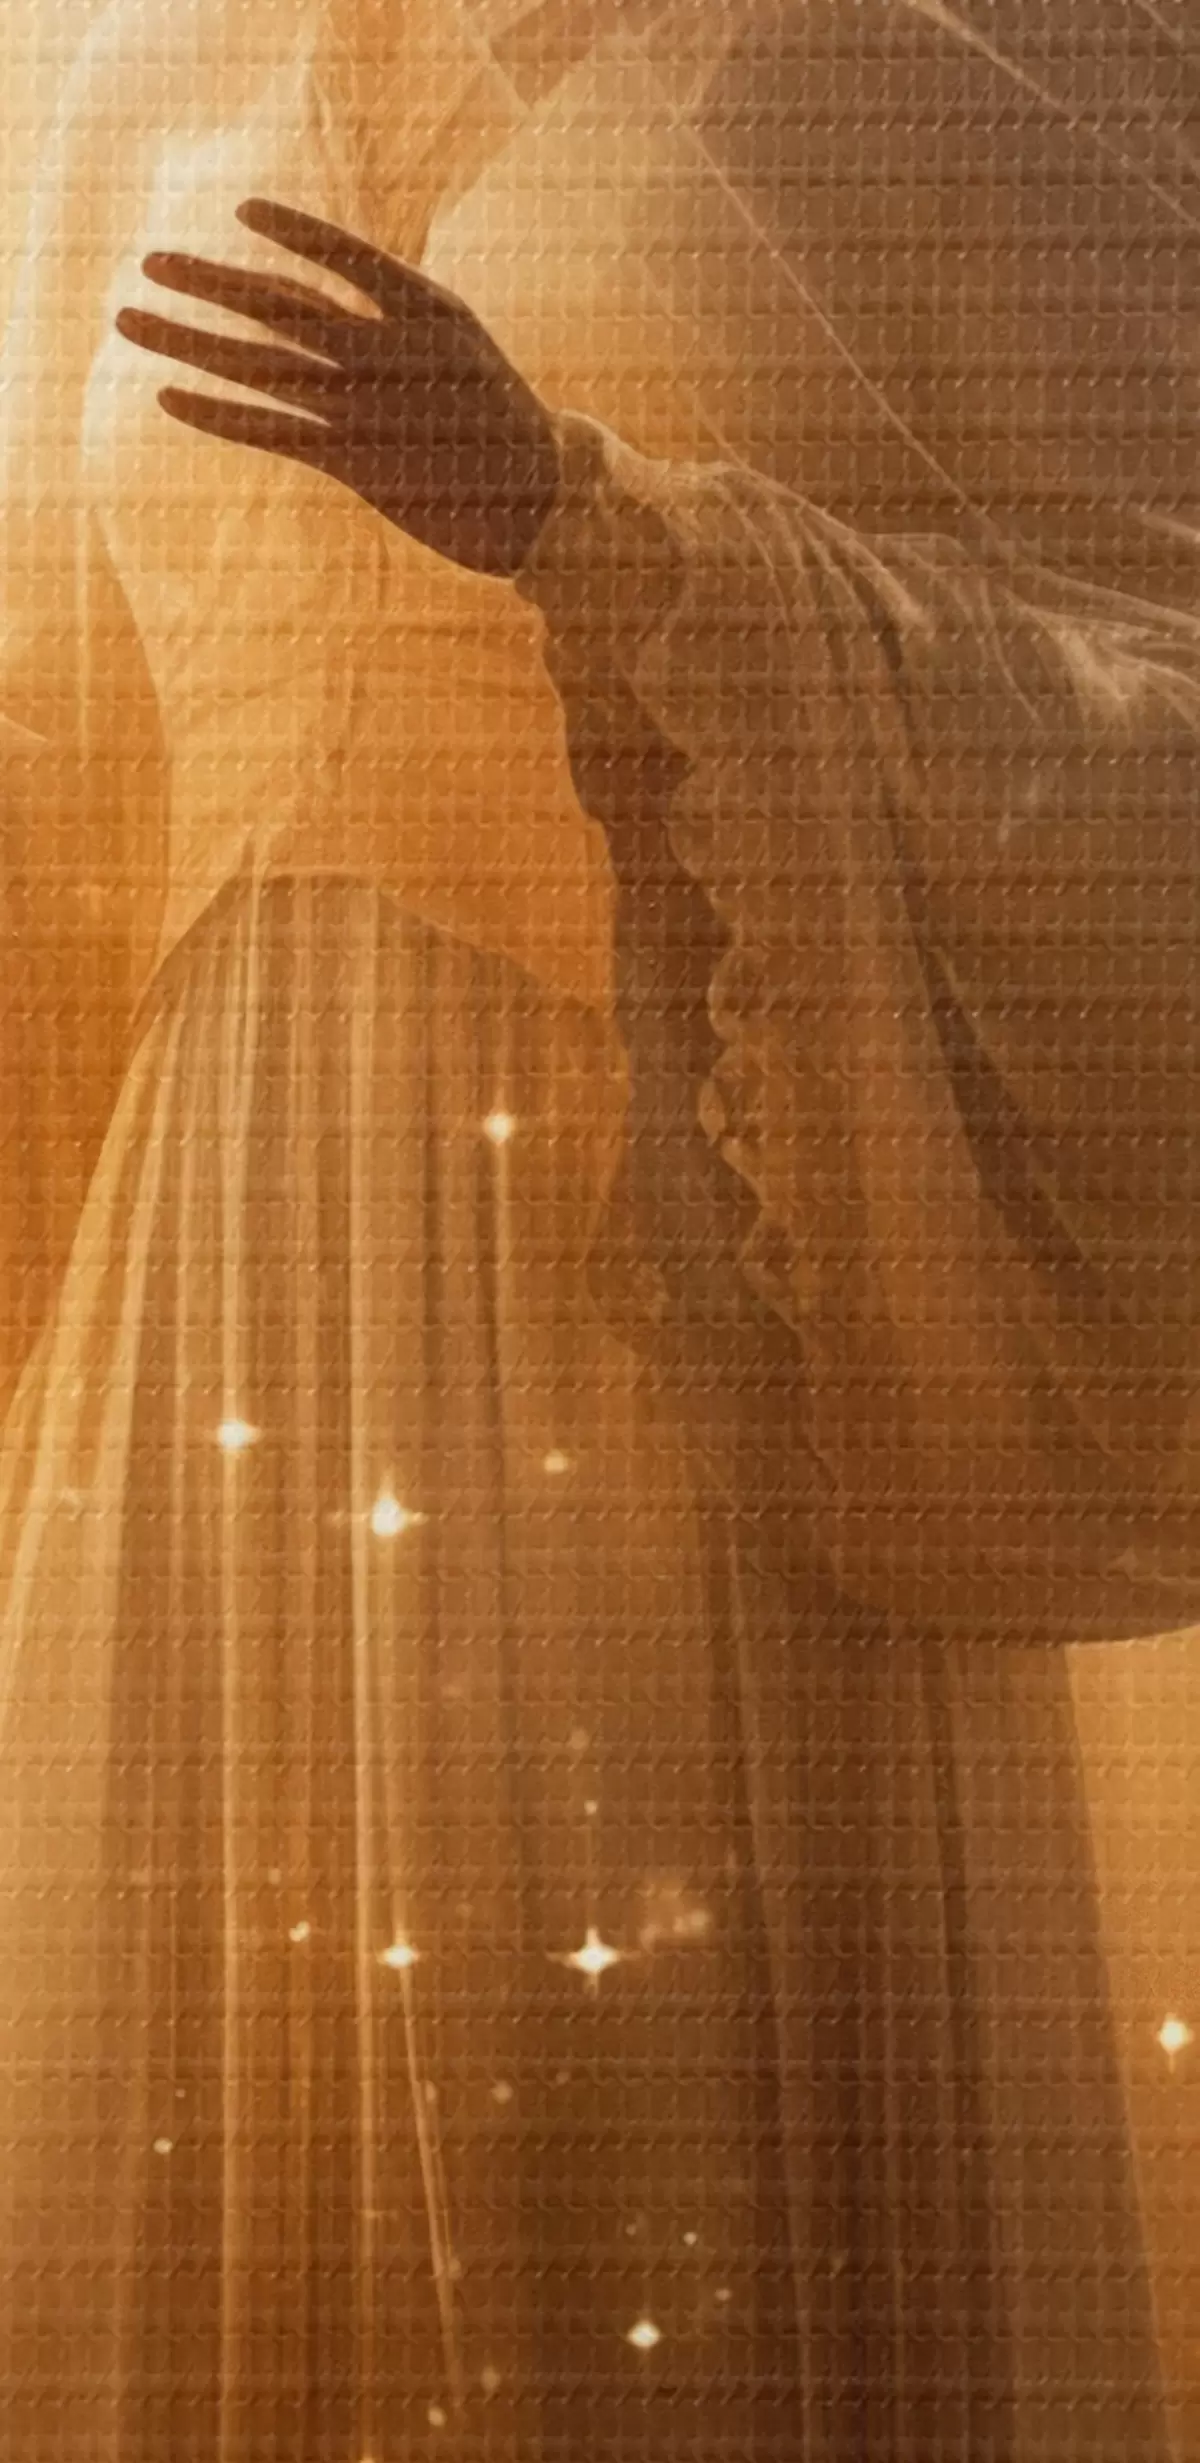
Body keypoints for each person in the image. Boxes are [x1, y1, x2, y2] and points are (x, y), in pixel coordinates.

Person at [0, 23, 1196, 2463]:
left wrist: (589, 519)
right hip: (212, 1318)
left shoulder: (946, 46)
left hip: (677, 1301)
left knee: (631, 2150)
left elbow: (1156, 719)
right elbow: (69, 772)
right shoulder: (144, 71)